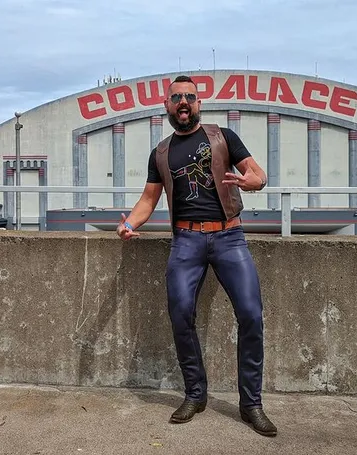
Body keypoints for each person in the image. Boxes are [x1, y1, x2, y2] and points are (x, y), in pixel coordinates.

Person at [116, 75, 277, 437]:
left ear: (199, 103)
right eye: (177, 98)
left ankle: (251, 404)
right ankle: (195, 394)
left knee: (251, 314)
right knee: (180, 313)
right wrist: (129, 223)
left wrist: (256, 181)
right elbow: (148, 200)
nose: (183, 102)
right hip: (186, 239)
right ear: (167, 106)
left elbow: (256, 172)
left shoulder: (223, 137)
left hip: (229, 235)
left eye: (190, 96)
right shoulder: (160, 153)